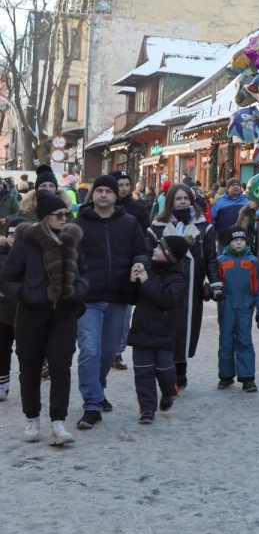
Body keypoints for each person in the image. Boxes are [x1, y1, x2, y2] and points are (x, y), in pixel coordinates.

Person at [1, 191, 89, 446]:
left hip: (64, 313)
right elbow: (7, 279)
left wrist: (77, 290)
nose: (64, 218)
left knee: (61, 366)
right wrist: (30, 295)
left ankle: (58, 422)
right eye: (58, 215)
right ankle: (32, 418)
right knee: (29, 368)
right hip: (31, 314)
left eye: (66, 214)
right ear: (43, 217)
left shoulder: (72, 241)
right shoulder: (25, 244)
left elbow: (84, 273)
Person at [72, 174, 149, 430]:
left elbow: (142, 249)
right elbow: (68, 256)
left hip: (118, 297)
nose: (103, 195)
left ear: (116, 196)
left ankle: (98, 387)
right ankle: (91, 406)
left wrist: (140, 262)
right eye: (99, 190)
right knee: (90, 351)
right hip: (87, 299)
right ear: (92, 195)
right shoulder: (79, 223)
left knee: (107, 353)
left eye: (108, 191)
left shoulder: (128, 223)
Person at [147, 183, 217, 390]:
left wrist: (215, 283)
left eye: (186, 198)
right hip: (166, 284)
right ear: (170, 201)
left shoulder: (204, 226)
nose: (183, 202)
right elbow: (149, 254)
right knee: (167, 326)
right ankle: (167, 369)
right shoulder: (157, 227)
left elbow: (211, 258)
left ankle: (181, 369)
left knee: (187, 328)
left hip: (192, 285)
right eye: (178, 198)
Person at [128, 235, 189, 423]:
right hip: (142, 329)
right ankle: (147, 410)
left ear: (169, 255)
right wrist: (132, 281)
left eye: (160, 248)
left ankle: (169, 391)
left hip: (165, 332)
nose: (154, 249)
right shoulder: (147, 270)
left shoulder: (178, 278)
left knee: (165, 370)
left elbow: (165, 300)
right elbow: (130, 298)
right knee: (143, 372)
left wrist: (145, 282)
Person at [214, 227, 259, 392]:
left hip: (245, 305)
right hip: (226, 306)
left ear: (246, 241)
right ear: (229, 241)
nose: (238, 242)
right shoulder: (221, 261)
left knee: (244, 340)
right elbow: (216, 284)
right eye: (235, 240)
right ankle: (226, 375)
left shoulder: (252, 261)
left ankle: (247, 377)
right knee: (226, 341)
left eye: (242, 240)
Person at [111, 169, 151, 372]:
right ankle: (106, 350)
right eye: (120, 184)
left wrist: (141, 260)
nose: (124, 188)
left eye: (127, 184)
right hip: (106, 265)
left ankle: (117, 353)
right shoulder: (101, 207)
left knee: (125, 314)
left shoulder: (137, 209)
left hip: (129, 266)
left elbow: (145, 237)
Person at [0, 218, 27, 401]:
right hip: (2, 313)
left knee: (26, 352)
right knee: (2, 349)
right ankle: (3, 384)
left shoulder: (33, 255)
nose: (15, 240)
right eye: (12, 235)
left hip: (26, 311)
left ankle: (28, 385)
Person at [210, 178, 250, 245]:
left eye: (238, 185)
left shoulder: (247, 201)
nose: (236, 187)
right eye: (233, 185)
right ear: (228, 188)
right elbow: (212, 220)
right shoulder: (219, 202)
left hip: (244, 241)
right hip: (224, 241)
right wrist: (213, 237)